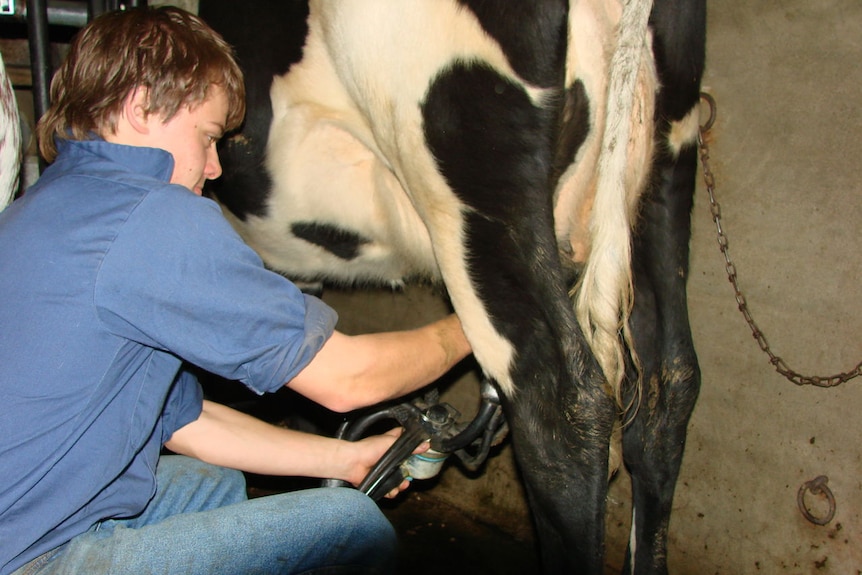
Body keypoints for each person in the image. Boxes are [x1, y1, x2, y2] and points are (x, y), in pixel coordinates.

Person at [0, 6, 472, 575]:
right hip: (28, 558)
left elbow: (187, 424)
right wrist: (478, 322)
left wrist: (349, 458)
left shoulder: (47, 207)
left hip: (28, 523)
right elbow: (350, 379)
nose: (217, 166)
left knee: (211, 484)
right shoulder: (149, 215)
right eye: (207, 137)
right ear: (141, 106)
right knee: (354, 531)